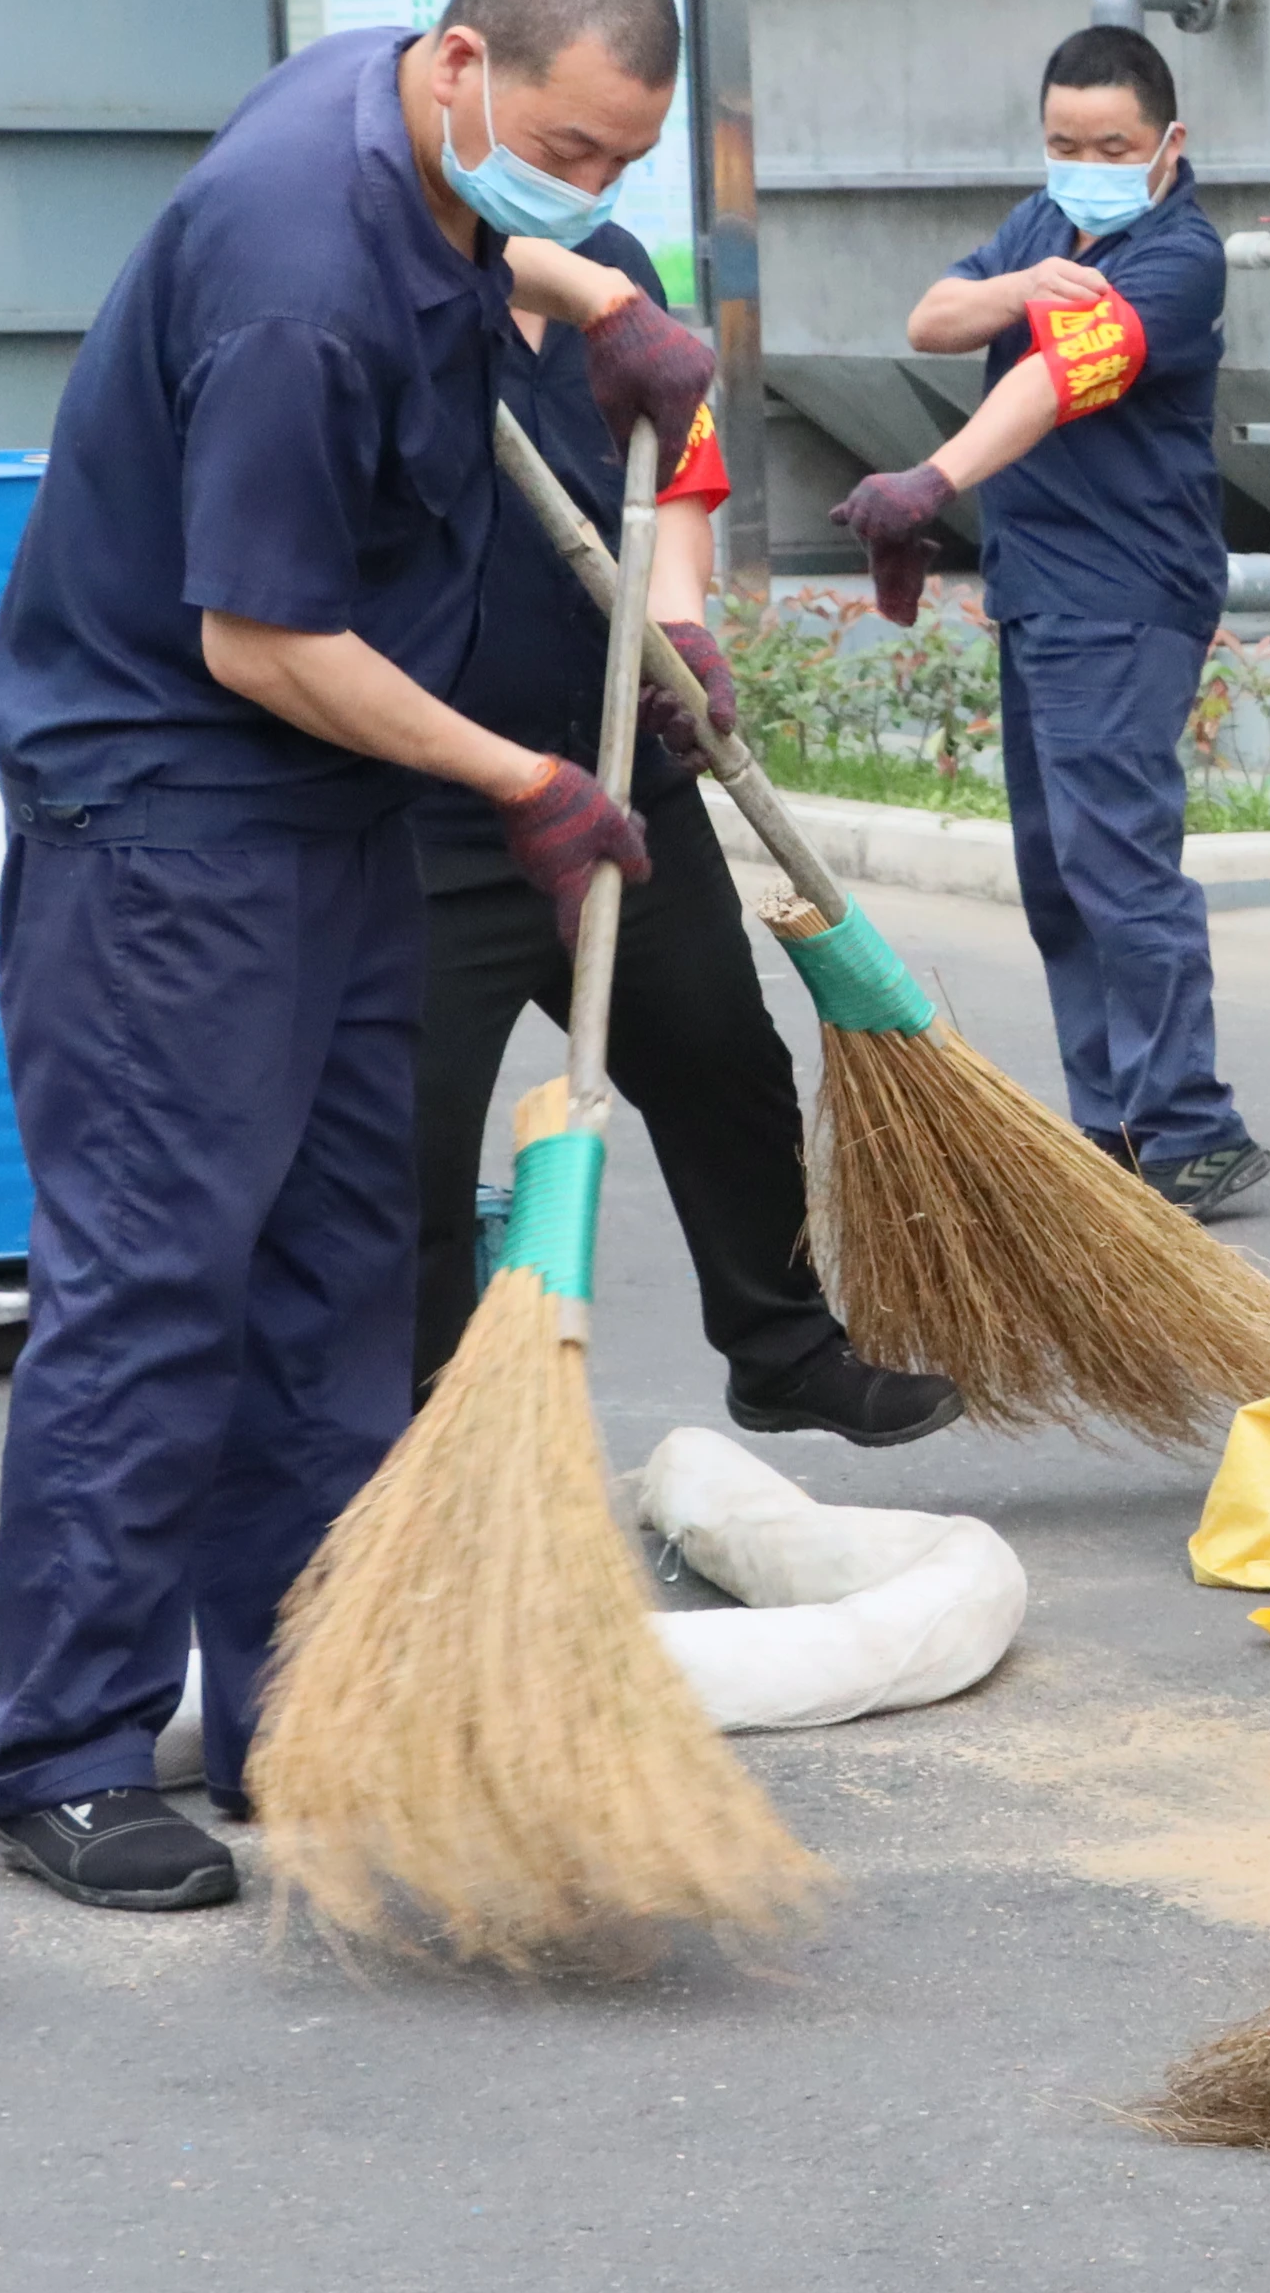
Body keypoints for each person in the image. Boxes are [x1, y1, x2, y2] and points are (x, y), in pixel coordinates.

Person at [0, 0, 705, 1912]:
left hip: (330, 808)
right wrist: (519, 778)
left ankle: (301, 1702)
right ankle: (63, 1749)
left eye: (620, 168)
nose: (583, 191)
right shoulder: (293, 271)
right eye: (561, 155)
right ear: (464, 70)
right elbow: (263, 637)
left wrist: (576, 286)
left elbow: (472, 252)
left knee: (332, 1279)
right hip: (171, 817)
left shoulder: (403, 113)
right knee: (158, 1285)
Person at [408, 208, 962, 1448]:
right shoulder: (401, 278)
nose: (575, 178)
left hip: (614, 775)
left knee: (724, 1063)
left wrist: (680, 634)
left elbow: (674, 477)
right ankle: (424, 1437)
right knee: (408, 1137)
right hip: (434, 806)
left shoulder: (616, 273)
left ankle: (783, 1348)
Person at [836, 22, 1267, 1219]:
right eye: (1063, 142)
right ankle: (1112, 1123)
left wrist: (933, 480)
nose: (1084, 161)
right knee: (1057, 873)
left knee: (1116, 861)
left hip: (1126, 595)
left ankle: (1191, 1125)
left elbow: (1045, 377)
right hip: (1040, 590)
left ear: (1169, 143)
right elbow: (932, 318)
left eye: (1111, 143)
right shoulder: (1045, 228)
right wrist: (1017, 283)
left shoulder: (1179, 256)